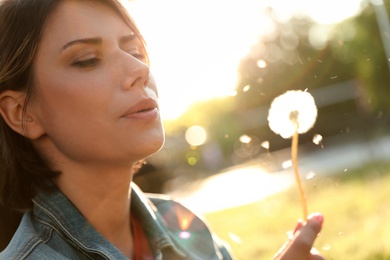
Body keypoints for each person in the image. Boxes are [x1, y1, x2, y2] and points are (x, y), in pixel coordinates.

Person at [0, 0, 325, 259]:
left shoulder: (185, 226)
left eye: (135, 51)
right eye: (87, 59)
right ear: (22, 113)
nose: (140, 70)